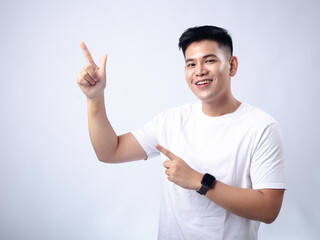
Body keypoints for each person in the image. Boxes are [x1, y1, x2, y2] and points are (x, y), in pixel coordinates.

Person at [76, 25, 286, 240]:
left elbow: (269, 209)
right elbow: (110, 151)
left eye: (210, 60)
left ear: (232, 66)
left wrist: (199, 181)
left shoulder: (261, 127)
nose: (199, 70)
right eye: (191, 64)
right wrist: (94, 98)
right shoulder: (171, 121)